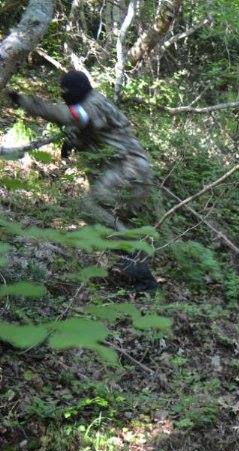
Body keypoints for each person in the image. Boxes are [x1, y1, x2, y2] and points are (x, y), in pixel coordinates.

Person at [8, 70, 158, 291]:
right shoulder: (92, 103)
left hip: (130, 169)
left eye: (67, 92)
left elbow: (72, 116)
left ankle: (136, 257)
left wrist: (25, 102)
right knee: (108, 218)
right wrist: (73, 141)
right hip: (129, 170)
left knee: (89, 209)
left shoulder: (92, 104)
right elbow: (86, 128)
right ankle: (139, 274)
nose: (65, 95)